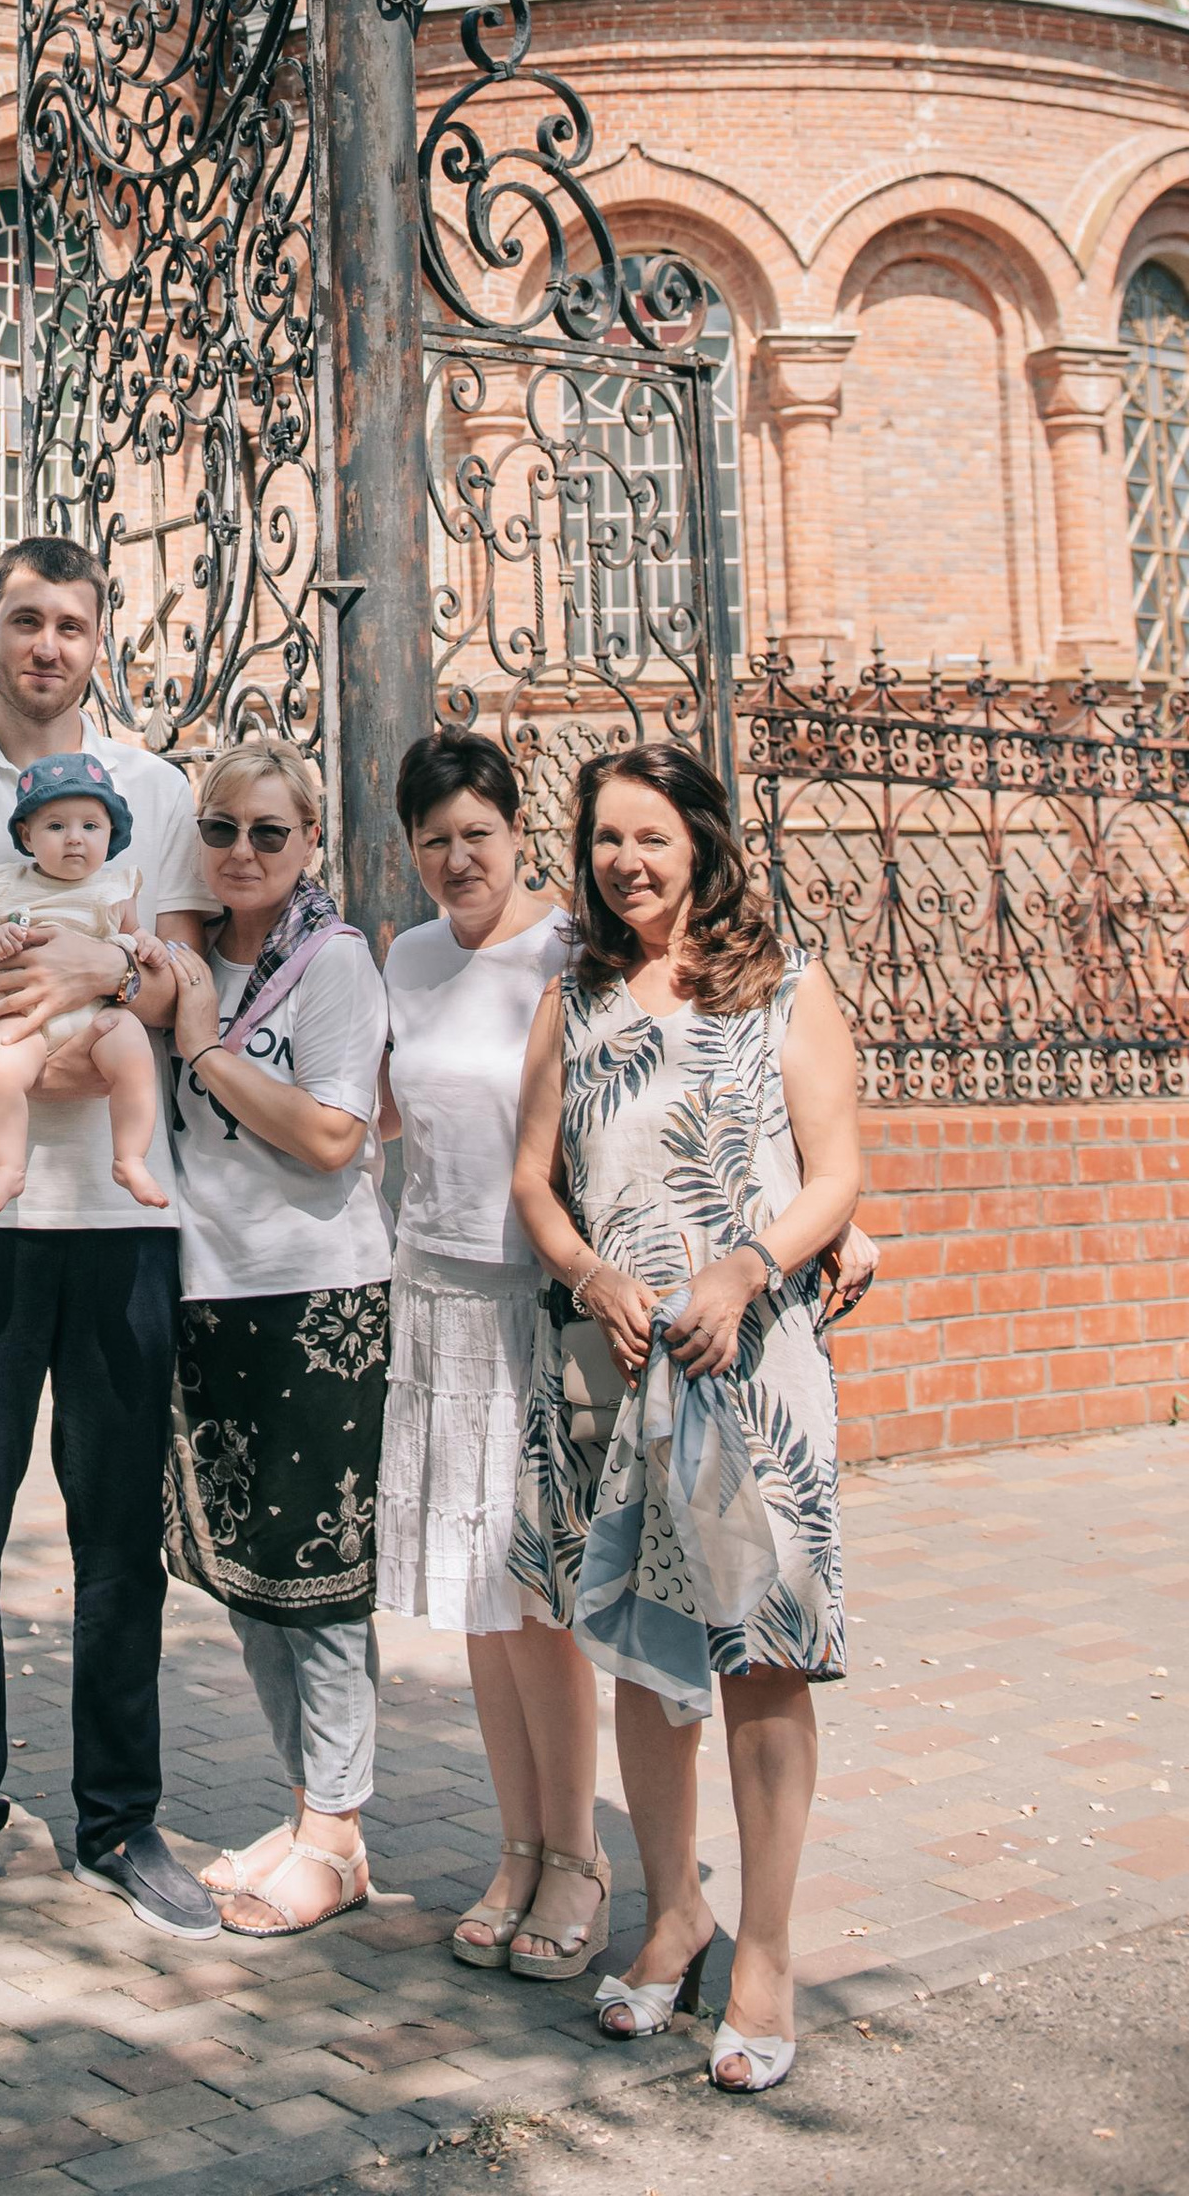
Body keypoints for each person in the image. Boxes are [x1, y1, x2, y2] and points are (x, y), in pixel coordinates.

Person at [0, 534, 218, 1946]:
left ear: (99, 637)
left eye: (71, 622)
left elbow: (180, 964)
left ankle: (119, 1817)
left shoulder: (154, 787)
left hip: (123, 1217)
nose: (47, 644)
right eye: (23, 618)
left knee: (116, 1526)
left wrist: (114, 980)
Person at [509, 743, 862, 2098]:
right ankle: (673, 1912)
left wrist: (744, 1268)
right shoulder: (577, 991)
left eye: (651, 836)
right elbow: (536, 1185)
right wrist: (591, 1268)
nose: (627, 861)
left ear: (704, 844)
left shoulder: (787, 986)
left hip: (748, 1365)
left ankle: (764, 1948)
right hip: (612, 1366)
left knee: (758, 1655)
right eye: (606, 839)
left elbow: (836, 1173)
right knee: (648, 1661)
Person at [374, 732, 601, 1979]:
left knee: (538, 1600)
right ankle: (513, 1848)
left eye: (477, 834)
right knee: (474, 1589)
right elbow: (382, 1106)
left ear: (518, 831)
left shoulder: (570, 953)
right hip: (435, 1291)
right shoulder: (406, 956)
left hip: (538, 1304)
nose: (456, 859)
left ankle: (577, 1857)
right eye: (432, 841)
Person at [162, 741, 391, 1942]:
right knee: (248, 1575)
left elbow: (333, 1137)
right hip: (210, 1293)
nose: (241, 851)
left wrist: (205, 1049)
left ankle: (341, 1837)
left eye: (267, 831)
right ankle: (308, 1810)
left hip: (321, 1299)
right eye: (221, 828)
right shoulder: (186, 957)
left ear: (309, 842)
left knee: (321, 1579)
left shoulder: (334, 964)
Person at [0, 751, 167, 1218]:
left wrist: (148, 946)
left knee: (134, 1054)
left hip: (97, 1014)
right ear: (26, 835)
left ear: (111, 834)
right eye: (56, 826)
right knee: (2, 1070)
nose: (75, 838)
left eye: (90, 826)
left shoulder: (116, 887)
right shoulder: (6, 886)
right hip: (26, 1016)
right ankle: (7, 1166)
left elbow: (134, 935)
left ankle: (131, 1156)